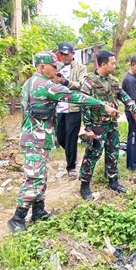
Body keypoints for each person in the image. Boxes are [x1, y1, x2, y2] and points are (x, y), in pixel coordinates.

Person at [7, 51, 118, 233]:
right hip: (36, 138)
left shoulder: (30, 82)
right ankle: (17, 218)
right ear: (42, 67)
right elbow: (75, 97)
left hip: (37, 136)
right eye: (53, 66)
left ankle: (38, 211)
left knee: (41, 175)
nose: (56, 70)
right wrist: (102, 105)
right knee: (34, 177)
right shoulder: (44, 85)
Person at [79, 50, 136, 200]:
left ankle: (113, 181)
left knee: (113, 153)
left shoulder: (113, 81)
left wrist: (135, 111)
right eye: (112, 63)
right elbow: (84, 105)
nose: (115, 65)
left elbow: (125, 97)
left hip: (111, 125)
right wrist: (88, 128)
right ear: (103, 64)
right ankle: (84, 185)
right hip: (97, 125)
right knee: (92, 155)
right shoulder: (89, 82)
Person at [55, 42, 87, 181]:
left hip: (73, 107)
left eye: (66, 54)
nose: (64, 57)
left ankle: (71, 167)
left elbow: (82, 85)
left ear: (73, 54)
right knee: (61, 137)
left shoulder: (81, 68)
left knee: (71, 138)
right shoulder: (57, 67)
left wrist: (66, 82)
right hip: (59, 108)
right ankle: (71, 155)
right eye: (62, 54)